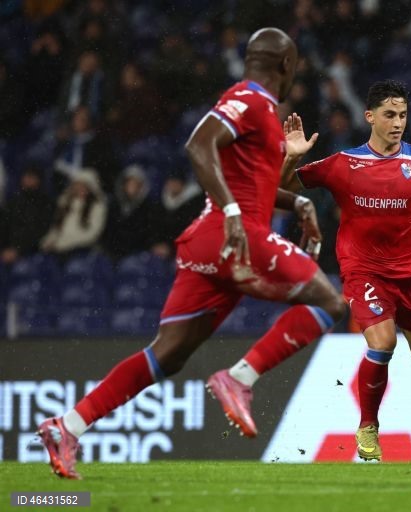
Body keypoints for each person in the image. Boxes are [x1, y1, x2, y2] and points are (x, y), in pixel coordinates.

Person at [37, 28, 346, 480]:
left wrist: (295, 192)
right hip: (232, 234)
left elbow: (253, 186)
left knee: (168, 354)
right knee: (329, 302)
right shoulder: (252, 98)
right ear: (287, 65)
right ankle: (239, 378)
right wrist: (235, 211)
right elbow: (199, 145)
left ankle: (68, 425)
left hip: (208, 242)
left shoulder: (259, 109)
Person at [281, 80, 411, 463]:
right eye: (390, 115)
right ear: (370, 117)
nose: (398, 123)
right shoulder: (343, 164)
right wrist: (292, 156)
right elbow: (281, 189)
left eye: (403, 115)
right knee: (382, 344)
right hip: (364, 270)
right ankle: (368, 426)